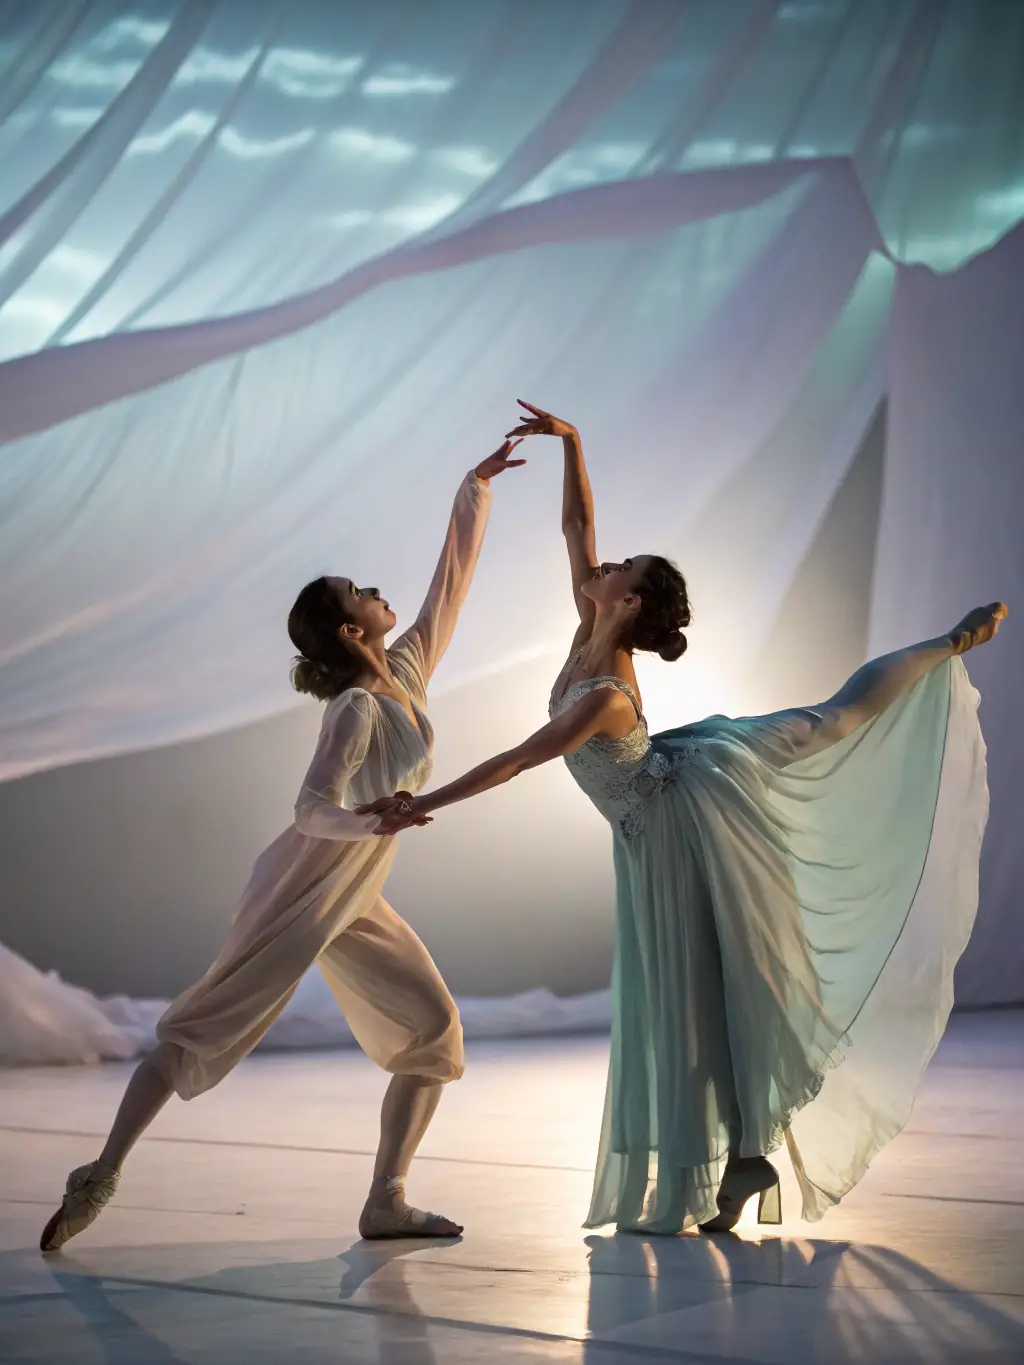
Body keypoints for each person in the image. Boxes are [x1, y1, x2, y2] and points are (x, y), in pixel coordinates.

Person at [363, 401, 1006, 1235]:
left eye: (619, 567)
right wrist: (573, 442)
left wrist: (424, 802)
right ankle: (743, 1156)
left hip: (679, 822)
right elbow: (577, 528)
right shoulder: (591, 625)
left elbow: (520, 757)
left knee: (831, 723)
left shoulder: (603, 692)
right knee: (693, 1006)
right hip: (650, 822)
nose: (603, 564)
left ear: (629, 601)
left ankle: (951, 642)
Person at [39, 438, 526, 1253]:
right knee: (199, 1029)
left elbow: (449, 587)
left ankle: (386, 1199)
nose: (378, 591)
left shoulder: (405, 673)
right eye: (360, 592)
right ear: (351, 627)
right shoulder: (354, 710)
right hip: (302, 888)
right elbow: (309, 809)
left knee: (434, 1030)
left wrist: (474, 487)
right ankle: (99, 1173)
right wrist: (372, 819)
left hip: (353, 893)